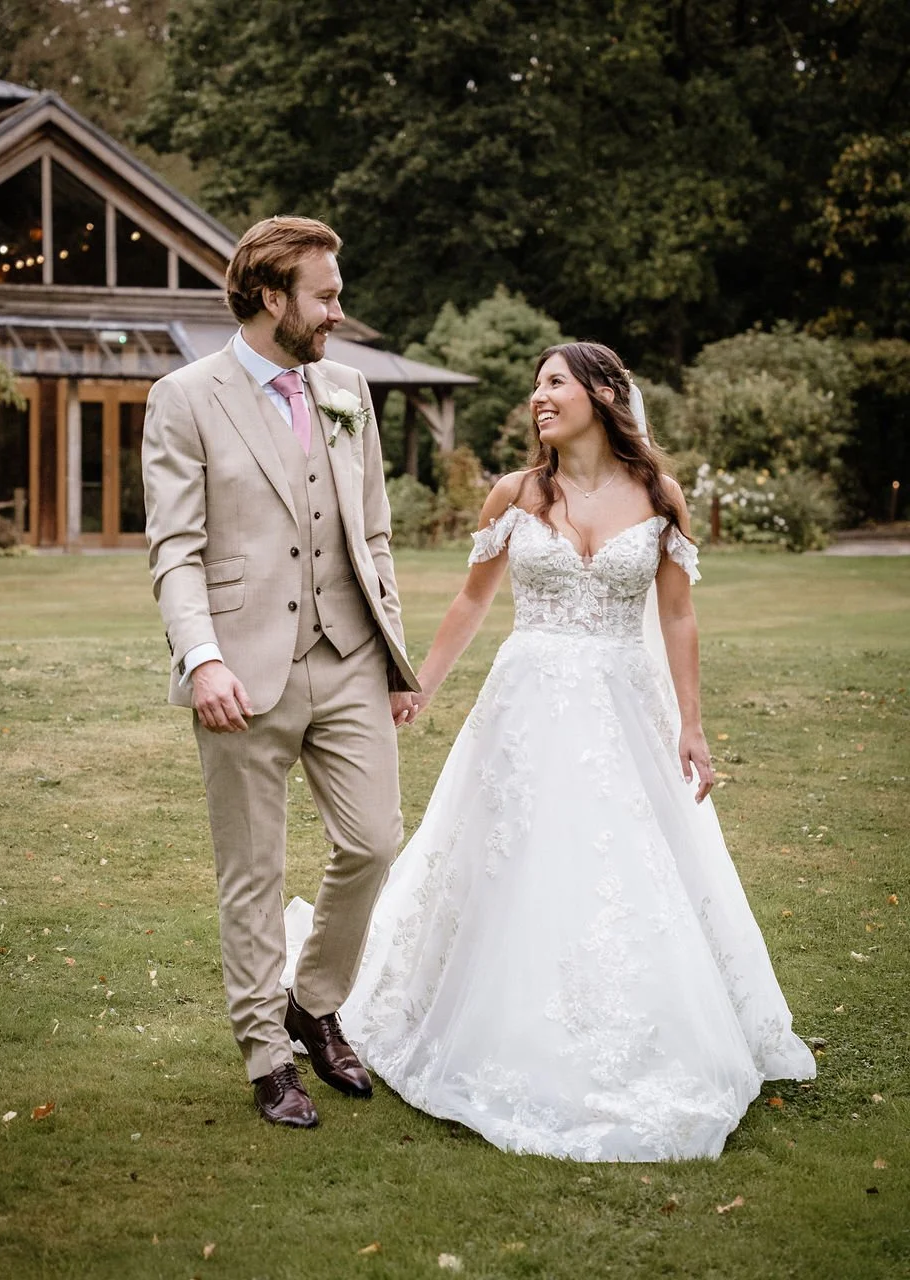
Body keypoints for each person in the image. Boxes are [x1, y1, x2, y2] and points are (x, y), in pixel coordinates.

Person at [285, 340, 816, 1161]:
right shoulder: (516, 493)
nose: (539, 397)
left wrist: (692, 722)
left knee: (627, 864)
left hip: (623, 706)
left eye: (555, 383)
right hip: (526, 703)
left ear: (604, 394)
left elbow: (677, 616)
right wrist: (415, 682)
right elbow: (471, 601)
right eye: (536, 385)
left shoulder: (657, 494)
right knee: (513, 857)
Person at [142, 215, 418, 1130]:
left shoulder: (345, 389)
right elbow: (176, 549)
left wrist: (395, 652)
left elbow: (372, 531)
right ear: (272, 297)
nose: (340, 310)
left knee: (375, 840)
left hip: (348, 658)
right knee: (253, 872)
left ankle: (314, 1002)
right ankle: (268, 1056)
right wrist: (202, 656)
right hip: (242, 673)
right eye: (326, 295)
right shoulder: (184, 398)